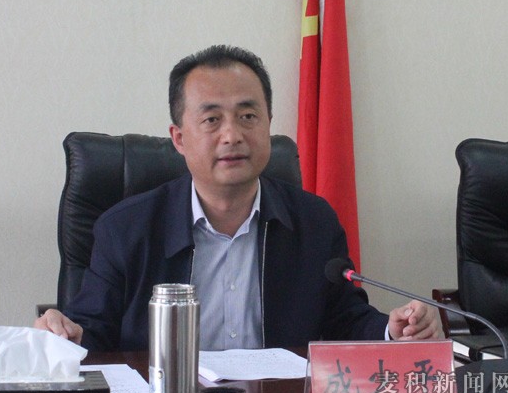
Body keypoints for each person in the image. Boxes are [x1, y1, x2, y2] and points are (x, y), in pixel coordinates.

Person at [34, 45, 441, 351]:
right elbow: (93, 331)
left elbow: (345, 320)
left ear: (268, 125)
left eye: (248, 116)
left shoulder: (314, 222)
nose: (232, 135)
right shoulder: (125, 228)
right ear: (179, 138)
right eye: (211, 119)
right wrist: (64, 334)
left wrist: (395, 330)